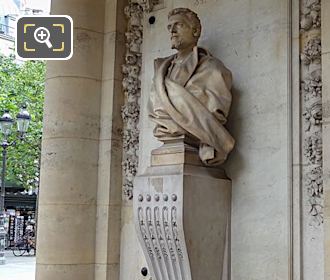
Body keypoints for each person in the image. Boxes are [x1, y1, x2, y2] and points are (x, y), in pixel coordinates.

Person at [149, 8, 235, 165]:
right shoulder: (161, 72)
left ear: (195, 31)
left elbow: (215, 110)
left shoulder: (213, 70)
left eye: (179, 25)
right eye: (169, 27)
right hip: (170, 142)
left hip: (191, 147)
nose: (172, 31)